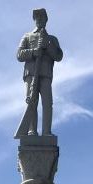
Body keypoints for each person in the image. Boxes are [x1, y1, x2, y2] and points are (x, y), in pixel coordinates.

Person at [15, 8, 63, 138]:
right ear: (34, 20)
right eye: (37, 17)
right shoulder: (27, 36)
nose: (40, 19)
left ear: (46, 20)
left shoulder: (52, 39)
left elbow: (58, 56)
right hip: (31, 74)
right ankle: (31, 131)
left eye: (42, 17)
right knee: (31, 102)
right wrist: (33, 52)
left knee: (47, 103)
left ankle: (46, 132)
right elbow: (19, 55)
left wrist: (48, 45)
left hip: (46, 74)